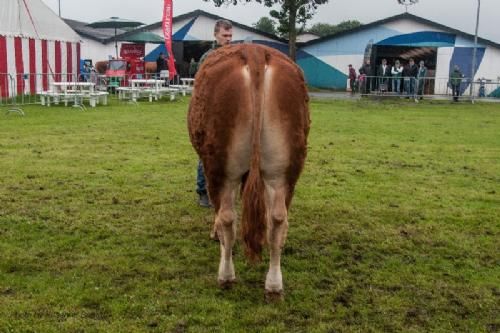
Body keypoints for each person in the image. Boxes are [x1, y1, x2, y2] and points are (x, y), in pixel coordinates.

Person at [195, 19, 233, 208]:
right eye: (224, 35)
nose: (228, 39)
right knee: (207, 152)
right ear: (215, 35)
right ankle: (203, 190)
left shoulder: (234, 56)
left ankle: (223, 189)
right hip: (210, 112)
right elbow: (201, 86)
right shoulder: (208, 58)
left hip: (229, 112)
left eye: (230, 36)